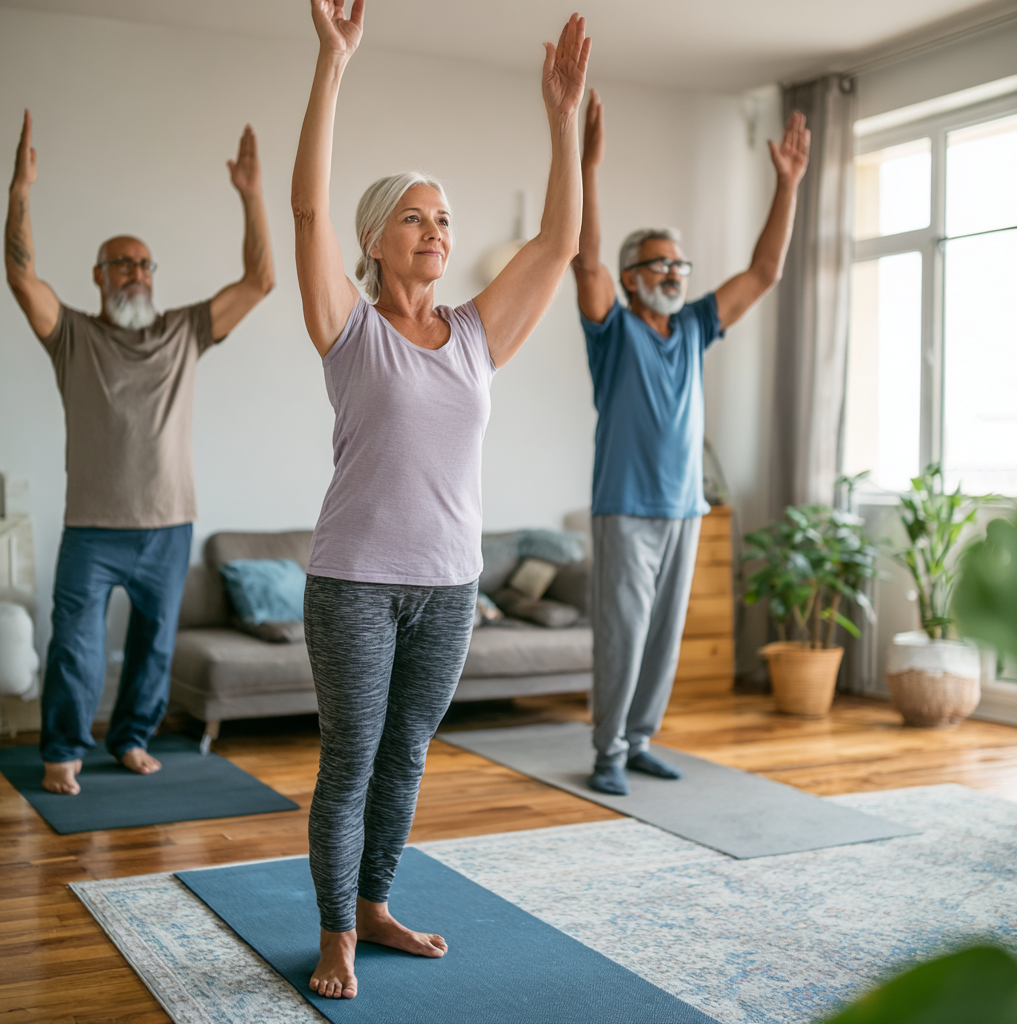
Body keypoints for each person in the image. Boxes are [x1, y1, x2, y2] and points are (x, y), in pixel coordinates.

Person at [291, 0, 590, 1001]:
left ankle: (375, 904)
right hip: (354, 585)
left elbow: (556, 240)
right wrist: (334, 65)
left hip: (450, 587)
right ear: (375, 238)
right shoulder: (348, 326)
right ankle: (335, 931)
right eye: (415, 216)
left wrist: (561, 115)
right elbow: (304, 215)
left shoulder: (474, 332)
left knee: (406, 757)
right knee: (350, 763)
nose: (435, 230)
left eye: (444, 218)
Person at [4, 112, 275, 795]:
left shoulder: (185, 330)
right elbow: (20, 275)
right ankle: (63, 748)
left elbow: (262, 280)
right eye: (121, 261)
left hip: (168, 525)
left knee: (153, 650)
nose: (135, 271)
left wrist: (251, 194)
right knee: (76, 648)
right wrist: (21, 189)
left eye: (144, 262)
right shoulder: (70, 334)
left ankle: (128, 739)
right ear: (98, 273)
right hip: (92, 529)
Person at [572, 90, 810, 796]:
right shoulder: (612, 331)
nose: (674, 273)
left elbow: (764, 272)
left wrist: (787, 185)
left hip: (684, 508)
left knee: (663, 639)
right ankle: (607, 750)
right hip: (624, 507)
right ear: (631, 278)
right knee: (622, 635)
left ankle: (639, 738)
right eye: (659, 264)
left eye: (680, 264)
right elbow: (585, 265)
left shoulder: (698, 328)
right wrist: (588, 167)